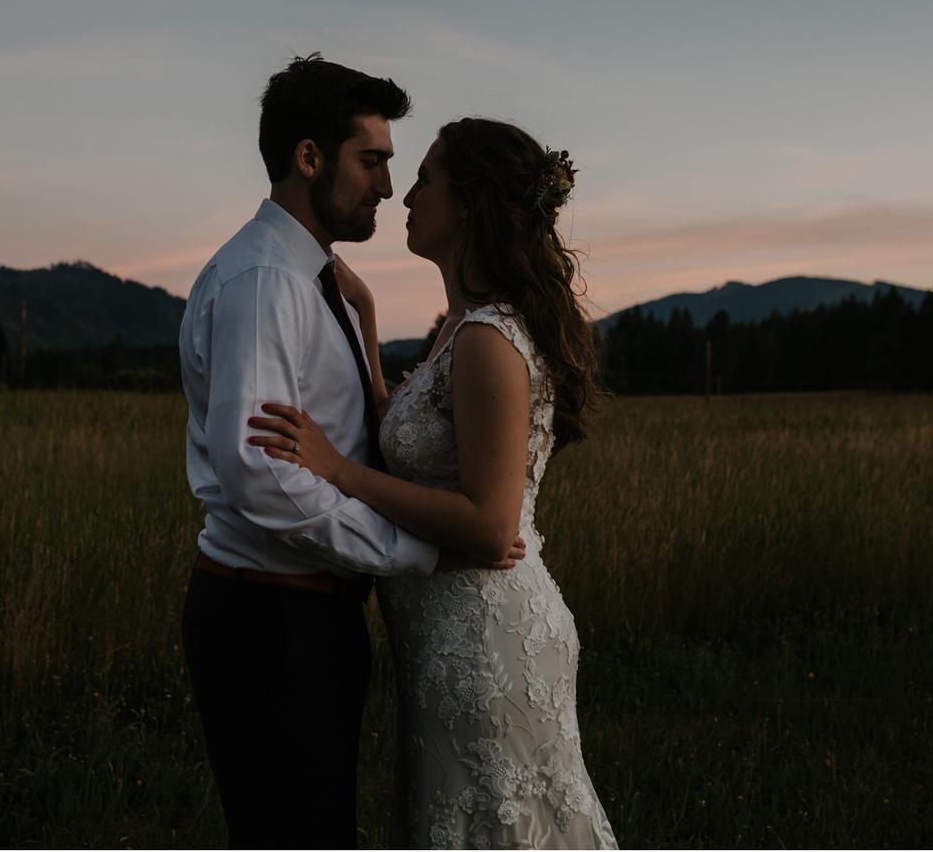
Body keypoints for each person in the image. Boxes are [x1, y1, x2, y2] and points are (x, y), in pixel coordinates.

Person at [178, 56, 525, 849]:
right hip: (270, 617)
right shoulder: (264, 282)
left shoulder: (315, 280)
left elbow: (349, 428)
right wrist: (411, 553)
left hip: (307, 615)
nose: (387, 186)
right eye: (372, 160)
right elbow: (262, 476)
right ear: (310, 157)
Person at [248, 118, 619, 848]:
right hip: (447, 637)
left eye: (426, 177)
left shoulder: (488, 339)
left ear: (471, 203)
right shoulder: (460, 326)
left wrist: (338, 469)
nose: (405, 195)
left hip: (484, 636)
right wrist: (368, 317)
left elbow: (489, 527)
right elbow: (418, 445)